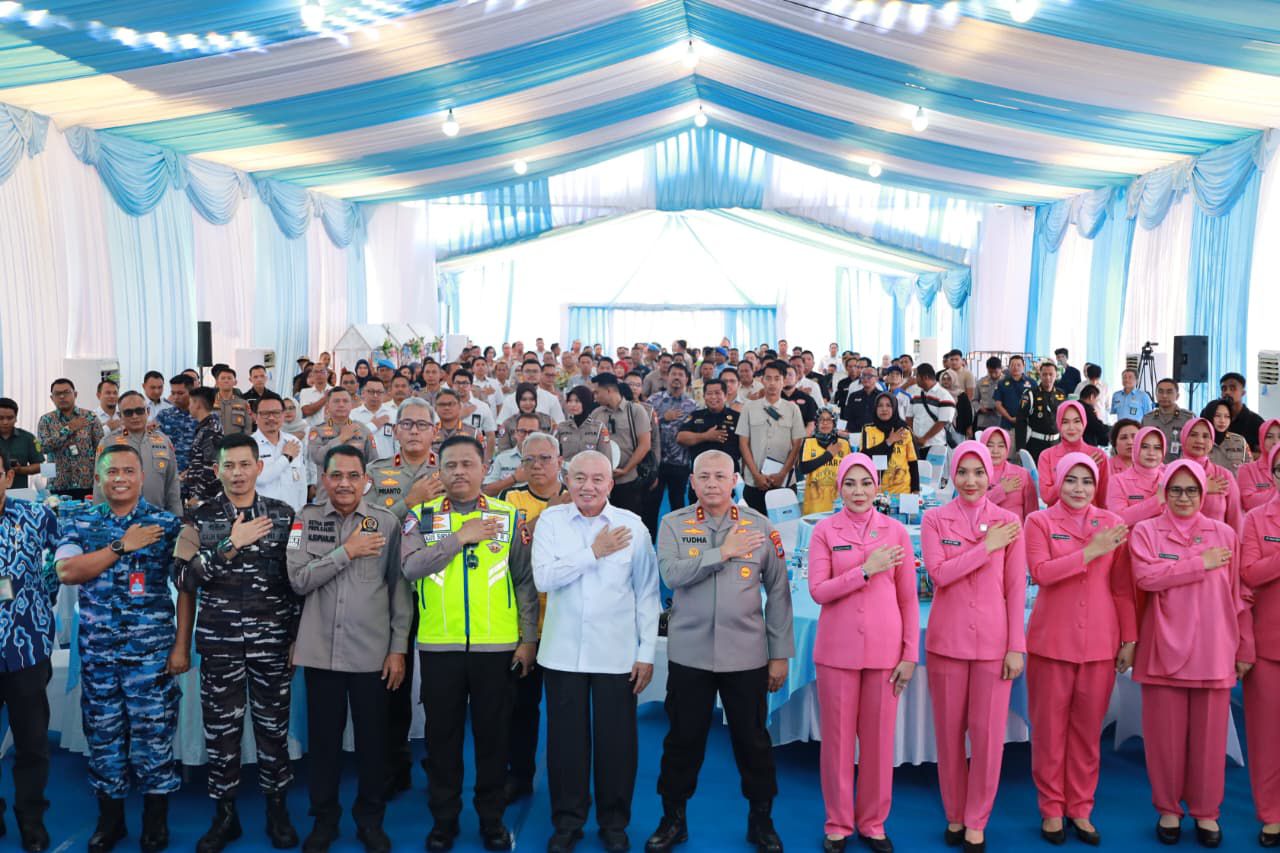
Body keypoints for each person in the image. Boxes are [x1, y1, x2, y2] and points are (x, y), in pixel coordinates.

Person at [647, 450, 793, 853]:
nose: (712, 483)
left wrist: (779, 654)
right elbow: (671, 574)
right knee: (682, 740)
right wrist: (721, 553)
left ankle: (761, 821)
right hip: (690, 654)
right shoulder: (674, 524)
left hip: (746, 655)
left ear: (734, 481)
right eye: (704, 476)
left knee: (753, 742)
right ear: (692, 482)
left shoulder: (759, 526)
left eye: (720, 476)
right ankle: (673, 819)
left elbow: (779, 592)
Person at [400, 436, 537, 853]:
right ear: (439, 470)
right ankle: (444, 820)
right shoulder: (420, 516)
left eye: (467, 464)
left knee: (493, 738)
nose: (459, 472)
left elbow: (524, 582)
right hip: (439, 646)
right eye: (451, 465)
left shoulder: (508, 515)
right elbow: (410, 568)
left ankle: (492, 819)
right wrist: (459, 538)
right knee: (442, 740)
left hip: (497, 648)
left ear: (484, 468)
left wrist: (528, 639)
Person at [171, 433, 300, 852]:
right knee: (221, 733)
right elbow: (182, 578)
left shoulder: (284, 516)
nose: (238, 473)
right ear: (217, 470)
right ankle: (225, 816)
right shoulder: (197, 518)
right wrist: (230, 545)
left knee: (273, 729)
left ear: (259, 467)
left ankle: (277, 809)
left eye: (245, 464)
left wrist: (296, 639)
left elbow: (297, 581)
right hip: (220, 643)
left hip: (272, 643)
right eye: (229, 465)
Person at [54, 445, 185, 853]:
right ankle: (110, 822)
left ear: (142, 476)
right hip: (100, 657)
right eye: (112, 472)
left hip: (151, 658)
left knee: (154, 738)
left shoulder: (166, 524)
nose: (121, 479)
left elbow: (188, 586)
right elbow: (67, 571)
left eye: (129, 471)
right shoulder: (80, 521)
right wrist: (120, 546)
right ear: (98, 477)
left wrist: (182, 645)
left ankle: (155, 822)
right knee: (104, 738)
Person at [531, 451, 659, 853]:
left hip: (616, 653)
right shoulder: (551, 521)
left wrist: (647, 652)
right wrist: (593, 552)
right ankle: (567, 821)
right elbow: (543, 578)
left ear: (611, 484)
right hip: (562, 652)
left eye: (597, 479)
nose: (588, 486)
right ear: (567, 479)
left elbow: (647, 593)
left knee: (617, 743)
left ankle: (614, 822)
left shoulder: (632, 526)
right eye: (580, 478)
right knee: (565, 744)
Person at [287, 445, 411, 853]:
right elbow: (298, 581)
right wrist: (347, 552)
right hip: (320, 652)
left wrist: (398, 648)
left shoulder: (386, 523)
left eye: (353, 476)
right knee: (323, 745)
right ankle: (324, 820)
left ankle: (370, 820)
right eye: (336, 475)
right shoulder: (304, 521)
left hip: (371, 654)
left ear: (366, 481)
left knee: (373, 745)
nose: (344, 483)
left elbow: (399, 590)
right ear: (323, 479)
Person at [1129, 459, 1254, 848]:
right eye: (1176, 490)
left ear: (1203, 493)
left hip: (1214, 648)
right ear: (1164, 492)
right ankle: (1168, 808)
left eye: (1191, 490)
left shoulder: (1224, 534)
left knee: (1210, 740)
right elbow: (1146, 577)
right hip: (1162, 648)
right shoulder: (1146, 531)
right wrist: (1198, 563)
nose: (1183, 498)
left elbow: (1238, 595)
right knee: (1163, 739)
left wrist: (1245, 644)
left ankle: (1206, 811)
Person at [807, 454, 919, 853]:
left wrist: (910, 654)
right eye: (850, 483)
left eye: (866, 483)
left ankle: (873, 822)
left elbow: (908, 599)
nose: (858, 491)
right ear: (840, 487)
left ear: (878, 486)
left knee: (878, 743)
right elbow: (818, 591)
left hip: (885, 653)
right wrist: (865, 570)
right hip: (836, 652)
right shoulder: (824, 531)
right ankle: (838, 822)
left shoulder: (896, 532)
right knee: (837, 743)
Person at [1023, 453, 1136, 845]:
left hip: (1100, 644)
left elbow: (1122, 588)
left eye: (1087, 481)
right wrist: (1090, 551)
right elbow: (1041, 573)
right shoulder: (1038, 522)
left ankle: (1081, 807)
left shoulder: (1114, 524)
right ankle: (1052, 808)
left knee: (1088, 733)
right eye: (1071, 480)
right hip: (1051, 642)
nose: (1079, 488)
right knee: (1049, 731)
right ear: (1057, 482)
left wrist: (1130, 639)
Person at [920, 441, 1026, 853]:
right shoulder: (934, 519)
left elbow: (1015, 589)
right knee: (949, 736)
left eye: (979, 472)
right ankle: (954, 812)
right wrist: (986, 548)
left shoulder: (1009, 522)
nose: (971, 480)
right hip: (947, 642)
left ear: (990, 474)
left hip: (993, 644)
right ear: (952, 475)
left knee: (987, 738)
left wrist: (1015, 646)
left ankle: (977, 818)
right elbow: (939, 574)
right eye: (963, 472)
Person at [499, 432, 572, 805]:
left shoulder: (579, 496)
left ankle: (568, 783)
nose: (537, 466)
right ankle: (519, 775)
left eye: (545, 458)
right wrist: (551, 512)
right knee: (520, 707)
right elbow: (512, 544)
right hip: (523, 622)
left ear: (560, 460)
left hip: (565, 622)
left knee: (566, 711)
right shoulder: (510, 499)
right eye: (529, 460)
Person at [0, 447, 60, 850]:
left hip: (25, 648)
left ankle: (31, 817)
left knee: (32, 743)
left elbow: (61, 560)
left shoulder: (36, 515)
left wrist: (40, 602)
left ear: (8, 477)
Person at [1241, 442, 1280, 847]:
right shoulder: (1255, 519)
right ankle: (1271, 813)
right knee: (1267, 737)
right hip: (1269, 644)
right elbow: (1249, 574)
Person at [92, 392, 182, 516]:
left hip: (157, 518)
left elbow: (172, 483)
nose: (135, 416)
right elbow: (99, 486)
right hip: (119, 520)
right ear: (120, 415)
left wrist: (177, 516)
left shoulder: (163, 441)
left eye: (139, 411)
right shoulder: (108, 443)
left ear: (147, 411)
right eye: (128, 412)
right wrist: (100, 519)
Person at [737, 360, 806, 515]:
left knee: (784, 526)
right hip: (754, 481)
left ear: (784, 381)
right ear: (762, 380)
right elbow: (743, 443)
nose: (772, 383)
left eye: (777, 378)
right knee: (756, 526)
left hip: (784, 481)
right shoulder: (749, 407)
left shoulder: (792, 409)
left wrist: (782, 474)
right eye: (768, 378)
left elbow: (797, 445)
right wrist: (756, 475)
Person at [592, 373, 653, 518]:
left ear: (609, 391)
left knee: (628, 522)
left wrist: (626, 470)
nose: (595, 397)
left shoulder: (636, 411)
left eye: (597, 392)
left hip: (628, 481)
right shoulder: (596, 414)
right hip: (601, 482)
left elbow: (645, 445)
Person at [36, 378, 104, 500]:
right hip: (58, 484)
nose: (62, 396)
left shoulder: (90, 417)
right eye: (57, 394)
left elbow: (101, 448)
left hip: (87, 483)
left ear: (75, 394)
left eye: (66, 392)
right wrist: (68, 429)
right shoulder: (46, 420)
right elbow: (43, 447)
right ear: (52, 398)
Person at [307, 388, 378, 504]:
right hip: (327, 497)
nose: (341, 404)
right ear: (328, 405)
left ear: (351, 405)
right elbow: (317, 457)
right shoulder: (317, 430)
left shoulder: (363, 430)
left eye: (345, 401)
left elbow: (373, 463)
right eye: (336, 401)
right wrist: (341, 439)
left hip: (356, 497)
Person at [1036, 402, 1108, 508]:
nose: (1071, 427)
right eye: (1065, 422)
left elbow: (1103, 500)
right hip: (1056, 517)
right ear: (1059, 424)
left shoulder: (1098, 456)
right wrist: (1078, 467)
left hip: (1089, 517)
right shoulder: (1047, 456)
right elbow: (1047, 497)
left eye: (1077, 421)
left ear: (1084, 422)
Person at [676, 378, 741, 496]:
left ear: (725, 396)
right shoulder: (696, 416)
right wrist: (706, 436)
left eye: (717, 393)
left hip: (727, 477)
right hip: (701, 476)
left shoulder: (737, 417)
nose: (713, 397)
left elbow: (745, 446)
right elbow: (681, 438)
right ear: (704, 397)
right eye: (709, 394)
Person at [649, 363, 698, 512]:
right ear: (667, 377)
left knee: (678, 505)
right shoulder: (653, 401)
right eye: (673, 374)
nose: (677, 377)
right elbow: (644, 428)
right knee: (651, 505)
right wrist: (663, 418)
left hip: (680, 463)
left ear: (687, 379)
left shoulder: (693, 406)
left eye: (681, 375)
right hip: (656, 462)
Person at [251, 392, 307, 512]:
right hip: (262, 516)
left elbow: (301, 482)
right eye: (265, 414)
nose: (271, 418)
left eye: (276, 413)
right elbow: (260, 478)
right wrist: (286, 457)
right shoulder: (249, 445)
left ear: (282, 415)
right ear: (255, 417)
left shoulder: (294, 442)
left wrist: (302, 512)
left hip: (292, 514)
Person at [1105, 427, 1168, 528]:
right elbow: (1117, 520)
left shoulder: (1169, 480)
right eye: (1145, 446)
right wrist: (1157, 500)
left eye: (1157, 447)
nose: (1151, 453)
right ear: (1136, 448)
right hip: (1132, 538)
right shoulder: (1118, 481)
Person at [862, 393, 919, 496]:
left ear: (894, 408)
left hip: (902, 490)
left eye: (888, 405)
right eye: (880, 405)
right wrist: (889, 442)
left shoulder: (904, 431)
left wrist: (916, 490)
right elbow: (865, 457)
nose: (884, 409)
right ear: (875, 408)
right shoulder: (868, 430)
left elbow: (913, 462)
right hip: (876, 492)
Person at [799, 410, 854, 514]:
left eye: (829, 420)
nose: (825, 423)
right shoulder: (808, 442)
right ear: (816, 423)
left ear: (834, 423)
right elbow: (803, 468)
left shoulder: (843, 443)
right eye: (821, 420)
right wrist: (828, 455)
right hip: (814, 506)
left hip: (838, 505)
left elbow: (850, 471)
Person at [980, 427, 1038, 520]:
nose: (995, 451)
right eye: (990, 445)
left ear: (1007, 448)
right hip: (985, 528)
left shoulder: (1021, 474)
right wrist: (1000, 490)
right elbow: (974, 507)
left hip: (1016, 528)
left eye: (1001, 446)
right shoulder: (975, 474)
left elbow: (1032, 511)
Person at [184, 387, 225, 509]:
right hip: (198, 493)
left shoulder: (211, 430)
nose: (189, 407)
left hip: (206, 498)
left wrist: (197, 496)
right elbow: (200, 459)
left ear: (197, 404)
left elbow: (211, 467)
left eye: (190, 403)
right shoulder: (204, 428)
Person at [1020, 362, 1067, 462]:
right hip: (1036, 444)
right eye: (1044, 374)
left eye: (1051, 374)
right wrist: (1020, 448)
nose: (1048, 377)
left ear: (1056, 375)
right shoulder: (1031, 394)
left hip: (1056, 444)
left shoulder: (1061, 394)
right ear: (1040, 375)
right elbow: (1021, 421)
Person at [555, 386, 611, 466]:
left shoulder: (599, 428)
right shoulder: (562, 427)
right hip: (566, 472)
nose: (573, 405)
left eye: (577, 401)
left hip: (590, 471)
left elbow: (606, 458)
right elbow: (555, 455)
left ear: (586, 402)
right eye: (570, 401)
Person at [1142, 378, 1195, 463]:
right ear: (1156, 395)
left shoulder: (1188, 418)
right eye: (1160, 392)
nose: (1164, 396)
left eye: (1169, 392)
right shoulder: (1147, 419)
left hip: (1179, 466)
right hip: (1153, 466)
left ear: (1177, 396)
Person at [908, 364, 956, 455]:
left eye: (916, 376)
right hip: (916, 444)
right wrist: (913, 436)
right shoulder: (915, 394)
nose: (915, 379)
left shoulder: (944, 396)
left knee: (934, 465)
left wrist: (924, 438)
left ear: (925, 377)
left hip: (936, 445)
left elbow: (942, 422)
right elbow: (909, 417)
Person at [156, 374, 198, 473]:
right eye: (173, 393)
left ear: (191, 392)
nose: (175, 397)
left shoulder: (202, 416)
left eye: (180, 393)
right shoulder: (164, 416)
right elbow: (157, 447)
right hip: (169, 473)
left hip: (196, 473)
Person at [497, 384, 556, 451]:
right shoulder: (507, 424)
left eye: (531, 399)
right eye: (524, 399)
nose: (528, 403)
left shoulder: (547, 420)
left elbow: (553, 447)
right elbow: (502, 450)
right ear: (518, 401)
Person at [352, 377, 398, 462]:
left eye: (379, 392)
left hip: (388, 465)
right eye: (371, 392)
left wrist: (397, 465)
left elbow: (398, 444)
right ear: (363, 393)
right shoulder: (353, 415)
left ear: (384, 394)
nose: (375, 395)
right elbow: (351, 439)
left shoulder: (394, 414)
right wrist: (373, 426)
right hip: (361, 465)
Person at [0, 398, 43, 489]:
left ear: (16, 418)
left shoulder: (28, 438)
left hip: (19, 492)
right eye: (1, 418)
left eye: (10, 418)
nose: (5, 422)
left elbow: (40, 466)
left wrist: (21, 470)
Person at [1238, 419, 1280, 511]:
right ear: (1261, 439)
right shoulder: (1247, 469)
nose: (1275, 442)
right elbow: (1249, 502)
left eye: (1279, 437)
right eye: (1269, 437)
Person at [1219, 372, 1266, 454]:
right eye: (1224, 389)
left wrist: (1240, 456)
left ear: (1243, 393)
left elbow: (1264, 454)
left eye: (1232, 388)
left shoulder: (1255, 422)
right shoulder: (1214, 417)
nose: (1227, 392)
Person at [1201, 399, 1252, 474]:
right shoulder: (1200, 441)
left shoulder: (1239, 441)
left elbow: (1250, 469)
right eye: (1217, 416)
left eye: (1227, 416)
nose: (1222, 420)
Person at [994, 356, 1034, 435]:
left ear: (1023, 366)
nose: (1015, 367)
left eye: (1018, 365)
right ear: (1009, 367)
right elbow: (998, 404)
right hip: (1007, 426)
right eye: (1012, 365)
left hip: (1027, 426)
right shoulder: (1002, 383)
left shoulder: (1032, 383)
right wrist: (1010, 418)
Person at [839, 367, 881, 436]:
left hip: (876, 435)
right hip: (855, 434)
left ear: (876, 379)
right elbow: (848, 416)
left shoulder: (882, 396)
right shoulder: (853, 396)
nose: (865, 378)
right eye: (863, 375)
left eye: (869, 376)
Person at [211, 366, 253, 435]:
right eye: (223, 378)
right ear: (217, 382)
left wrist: (245, 440)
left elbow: (248, 427)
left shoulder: (243, 403)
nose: (226, 381)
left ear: (235, 382)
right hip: (214, 440)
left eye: (229, 378)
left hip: (236, 441)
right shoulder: (209, 402)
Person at [940, 369, 973, 439]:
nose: (946, 381)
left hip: (959, 428)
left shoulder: (961, 395)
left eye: (949, 379)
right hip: (941, 428)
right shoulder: (938, 394)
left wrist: (969, 427)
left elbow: (967, 412)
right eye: (944, 379)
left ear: (954, 379)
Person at [974, 357, 1004, 433]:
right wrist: (980, 408)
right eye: (990, 372)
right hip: (984, 421)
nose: (993, 375)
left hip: (1001, 421)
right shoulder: (981, 382)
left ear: (1001, 369)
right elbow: (974, 400)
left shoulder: (1006, 382)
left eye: (996, 372)